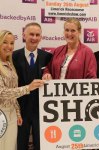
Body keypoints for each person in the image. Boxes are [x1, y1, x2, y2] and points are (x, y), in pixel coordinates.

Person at [0, 30, 44, 150]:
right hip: (1, 114)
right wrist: (28, 88)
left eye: (12, 43)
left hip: (13, 114)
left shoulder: (9, 64)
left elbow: (12, 91)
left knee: (10, 146)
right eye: (5, 42)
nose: (9, 46)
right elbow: (2, 93)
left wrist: (17, 113)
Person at [12, 22, 52, 150]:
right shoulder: (13, 56)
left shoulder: (48, 57)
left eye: (37, 35)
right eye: (31, 34)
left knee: (42, 145)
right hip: (19, 111)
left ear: (41, 37)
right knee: (20, 145)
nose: (34, 38)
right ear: (24, 35)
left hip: (42, 111)